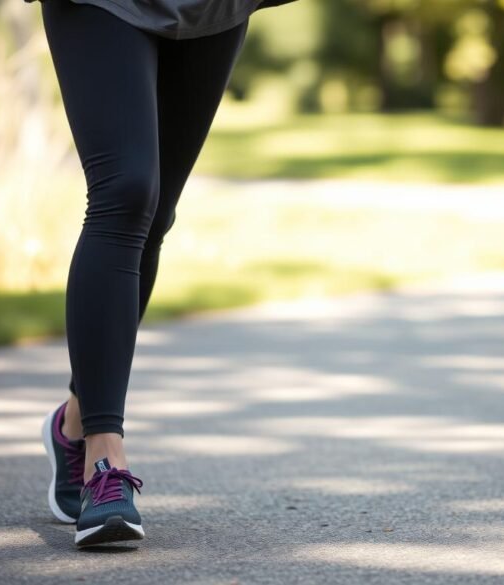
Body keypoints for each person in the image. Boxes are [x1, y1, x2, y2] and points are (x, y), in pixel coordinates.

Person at [29, 0, 298, 548]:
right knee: (125, 194)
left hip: (209, 9)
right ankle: (105, 462)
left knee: (154, 215)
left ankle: (77, 421)